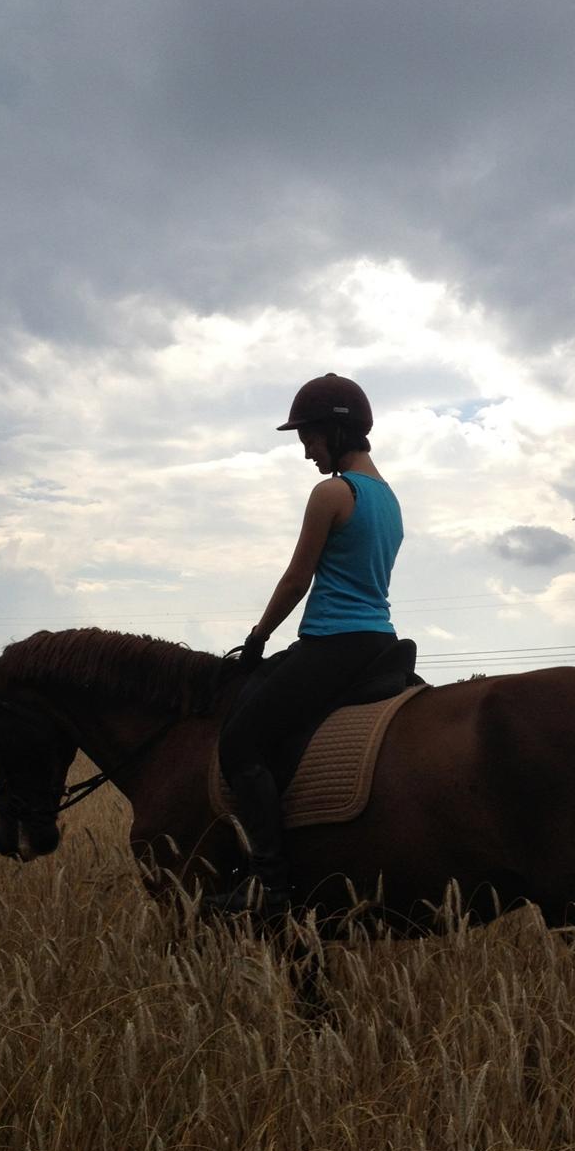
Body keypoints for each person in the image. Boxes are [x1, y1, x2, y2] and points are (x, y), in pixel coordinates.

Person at [207, 373, 404, 914]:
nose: (307, 452)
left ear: (336, 433)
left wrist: (257, 637)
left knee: (240, 743)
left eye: (310, 439)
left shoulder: (332, 493)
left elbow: (298, 578)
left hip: (332, 642)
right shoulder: (390, 500)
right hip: (378, 642)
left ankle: (269, 887)